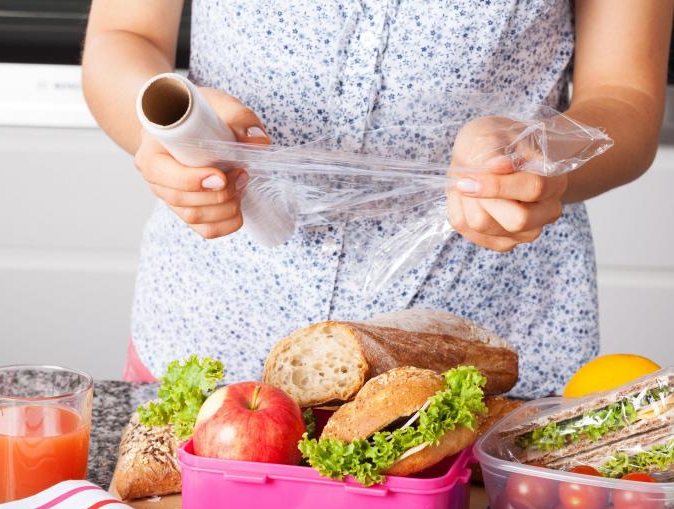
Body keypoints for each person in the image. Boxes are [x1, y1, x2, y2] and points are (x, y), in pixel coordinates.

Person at [82, 1, 672, 398]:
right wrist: (170, 129)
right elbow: (122, 36)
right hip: (220, 316)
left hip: (481, 346)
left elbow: (625, 96)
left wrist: (534, 153)